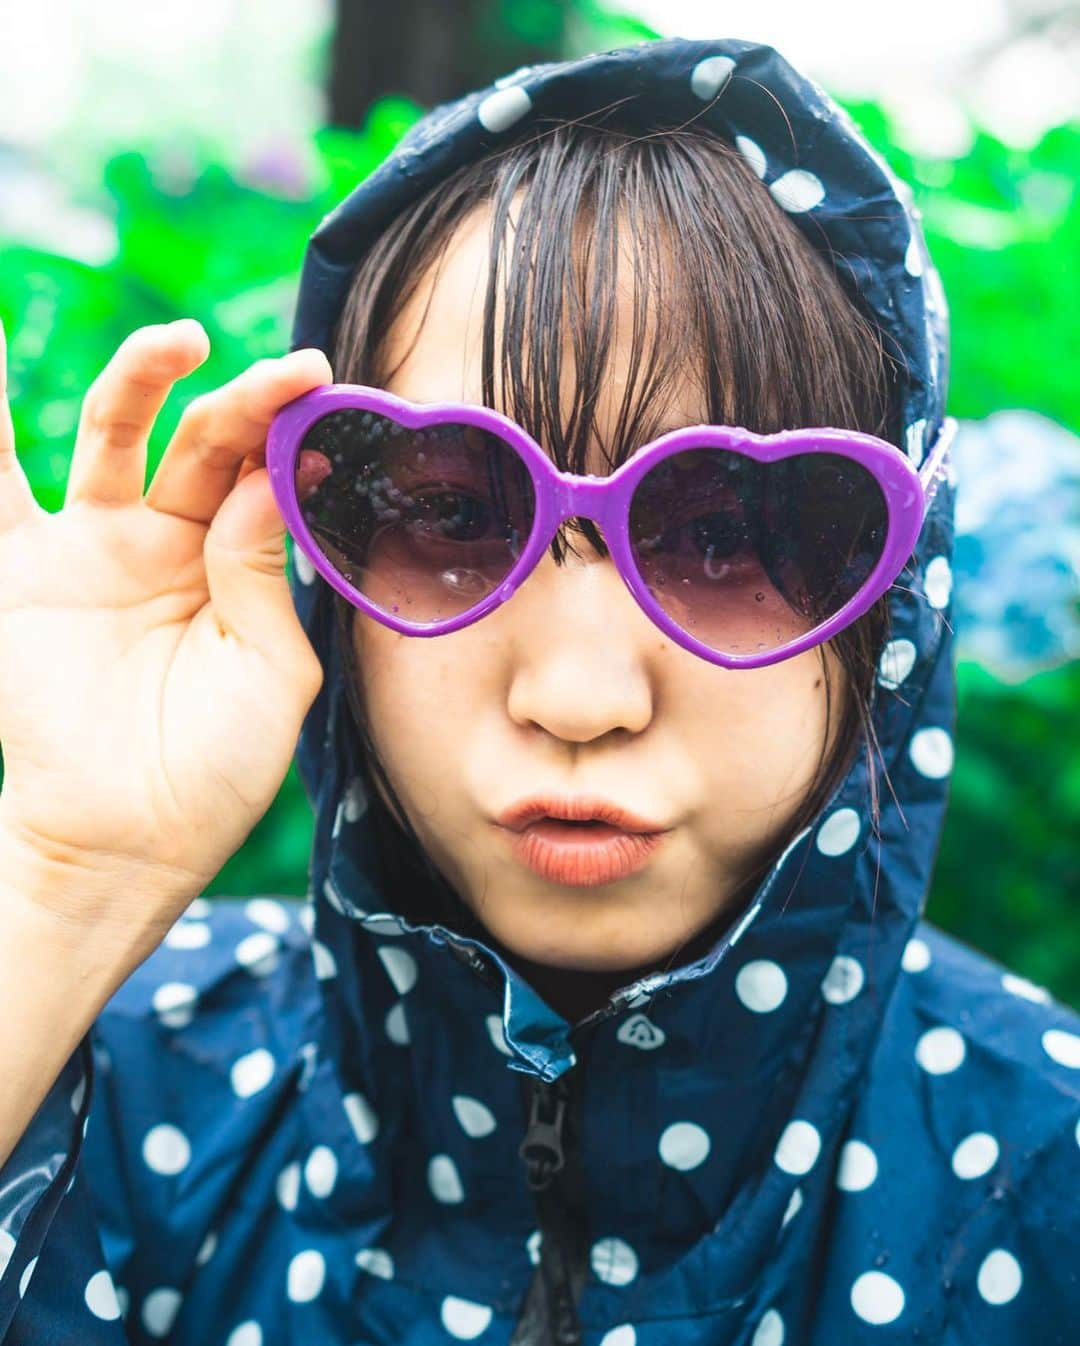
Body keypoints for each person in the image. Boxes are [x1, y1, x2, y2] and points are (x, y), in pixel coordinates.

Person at [0, 34, 1076, 1346]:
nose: (578, 696)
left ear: (900, 593)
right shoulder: (121, 1072)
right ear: (324, 560)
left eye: (729, 534)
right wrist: (60, 887)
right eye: (451, 512)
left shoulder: (1040, 1171)